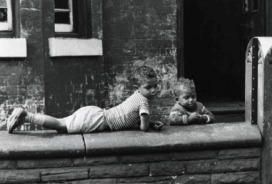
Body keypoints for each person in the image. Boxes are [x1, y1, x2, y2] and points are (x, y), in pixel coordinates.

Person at [7, 66, 164, 134]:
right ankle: (26, 116)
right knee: (61, 125)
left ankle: (24, 118)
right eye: (148, 87)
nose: (153, 90)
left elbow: (133, 118)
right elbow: (143, 128)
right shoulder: (143, 101)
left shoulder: (137, 96)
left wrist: (150, 122)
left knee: (61, 124)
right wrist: (148, 123)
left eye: (155, 86)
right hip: (98, 120)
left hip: (96, 114)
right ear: (139, 87)